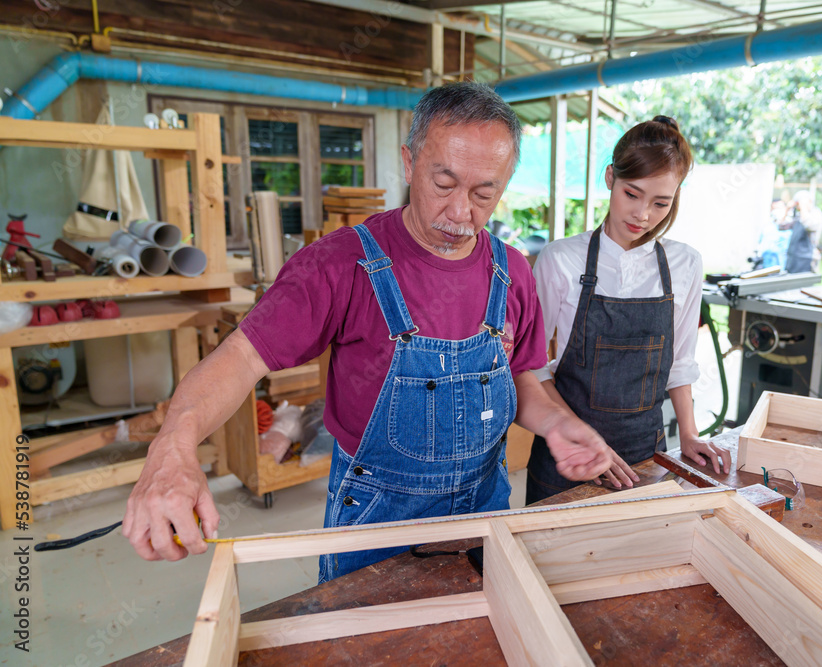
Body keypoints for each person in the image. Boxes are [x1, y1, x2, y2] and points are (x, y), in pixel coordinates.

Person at [122, 82, 623, 580]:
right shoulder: (340, 264)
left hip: (485, 507)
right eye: (443, 184)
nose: (461, 212)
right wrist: (173, 446)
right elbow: (240, 358)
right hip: (378, 516)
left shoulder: (510, 270)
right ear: (409, 163)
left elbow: (522, 382)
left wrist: (558, 425)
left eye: (484, 193)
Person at [526, 116, 731, 504]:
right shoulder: (561, 259)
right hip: (568, 455)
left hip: (644, 454)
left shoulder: (684, 264)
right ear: (610, 179)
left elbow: (680, 362)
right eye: (631, 194)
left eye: (660, 203)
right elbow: (533, 367)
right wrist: (576, 436)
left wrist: (688, 435)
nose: (642, 214)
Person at [782, 190, 822, 273]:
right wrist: (787, 209)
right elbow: (781, 226)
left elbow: (809, 225)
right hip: (793, 258)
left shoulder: (816, 213)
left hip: (808, 258)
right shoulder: (798, 215)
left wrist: (803, 206)